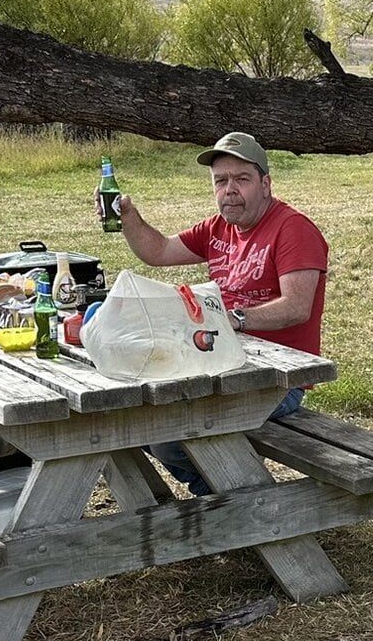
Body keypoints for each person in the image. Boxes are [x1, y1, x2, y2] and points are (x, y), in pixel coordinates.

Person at [107, 131, 328, 491]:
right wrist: (129, 216)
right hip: (221, 362)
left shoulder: (293, 229)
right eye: (221, 181)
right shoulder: (218, 228)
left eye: (242, 179)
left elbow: (297, 307)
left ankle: (236, 501)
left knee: (170, 439)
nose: (230, 190)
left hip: (276, 379)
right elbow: (159, 252)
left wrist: (235, 320)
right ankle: (228, 495)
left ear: (266, 184)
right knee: (136, 418)